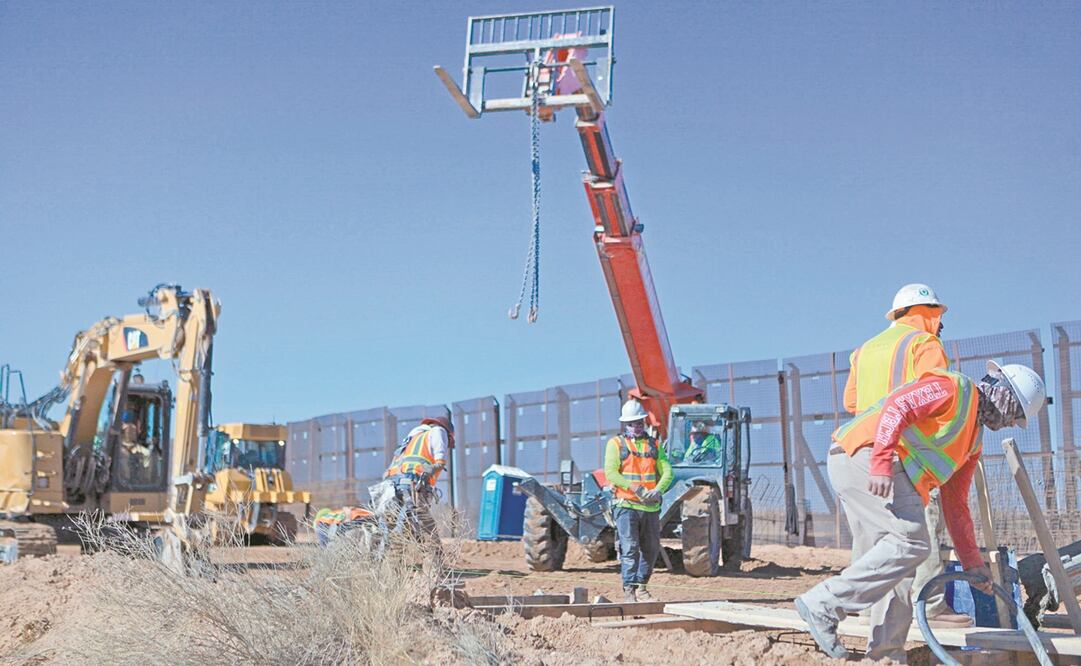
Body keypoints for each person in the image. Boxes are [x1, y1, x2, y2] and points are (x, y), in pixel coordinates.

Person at [796, 361, 1046, 662]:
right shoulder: (954, 388)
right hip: (867, 455)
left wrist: (972, 563)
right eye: (1014, 414)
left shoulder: (972, 443)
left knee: (898, 565)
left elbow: (956, 506)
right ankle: (823, 604)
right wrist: (881, 462)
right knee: (912, 543)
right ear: (1003, 394)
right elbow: (897, 406)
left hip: (874, 465)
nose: (1008, 422)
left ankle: (885, 656)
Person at [844, 283, 968, 627]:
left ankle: (866, 605)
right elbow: (938, 392)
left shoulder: (864, 350)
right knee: (920, 527)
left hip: (865, 453)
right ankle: (931, 608)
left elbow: (851, 404)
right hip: (907, 453)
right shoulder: (924, 343)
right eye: (938, 315)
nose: (940, 323)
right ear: (926, 312)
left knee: (871, 531)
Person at [604, 399, 673, 603]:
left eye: (640, 422)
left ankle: (642, 587)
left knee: (651, 549)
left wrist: (658, 490)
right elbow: (611, 472)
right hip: (626, 505)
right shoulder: (615, 444)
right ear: (625, 424)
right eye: (633, 423)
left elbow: (667, 471)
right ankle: (629, 591)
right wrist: (634, 488)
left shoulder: (654, 444)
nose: (637, 426)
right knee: (630, 547)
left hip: (650, 507)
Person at [382, 416, 454, 538]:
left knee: (388, 525)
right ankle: (437, 555)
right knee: (424, 522)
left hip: (392, 483)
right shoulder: (439, 431)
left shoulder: (411, 437)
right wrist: (430, 472)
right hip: (413, 482)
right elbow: (440, 461)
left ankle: (375, 555)